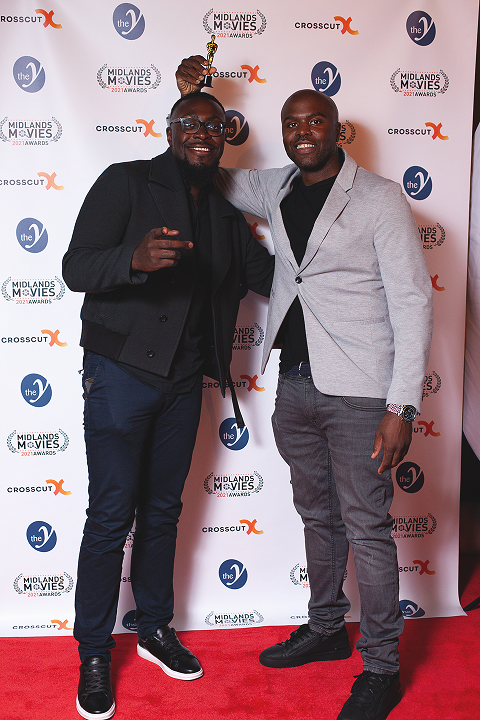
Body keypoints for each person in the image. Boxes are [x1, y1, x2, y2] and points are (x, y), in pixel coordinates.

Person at [176, 57, 433, 720]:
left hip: (360, 394)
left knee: (366, 528)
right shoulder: (276, 188)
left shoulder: (379, 198)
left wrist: (402, 406)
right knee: (317, 516)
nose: (301, 132)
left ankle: (381, 666)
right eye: (291, 124)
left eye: (314, 120)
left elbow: (412, 302)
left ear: (337, 129)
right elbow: (204, 167)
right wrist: (195, 100)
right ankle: (326, 627)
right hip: (294, 386)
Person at [63, 91, 273, 720]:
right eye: (189, 123)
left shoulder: (225, 212)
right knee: (110, 516)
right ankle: (94, 651)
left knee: (162, 512)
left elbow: (267, 277)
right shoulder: (126, 183)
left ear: (226, 136)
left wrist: (336, 264)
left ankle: (154, 627)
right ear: (170, 130)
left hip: (184, 381)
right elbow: (75, 267)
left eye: (213, 125)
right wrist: (131, 259)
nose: (201, 133)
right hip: (120, 375)